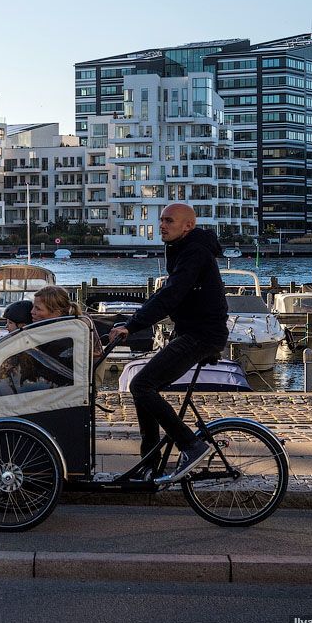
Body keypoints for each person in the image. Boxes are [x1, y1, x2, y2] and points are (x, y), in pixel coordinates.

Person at [109, 204, 228, 483]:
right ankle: (149, 465)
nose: (162, 225)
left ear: (188, 226)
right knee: (143, 387)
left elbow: (171, 295)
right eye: (161, 220)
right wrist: (130, 321)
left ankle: (191, 445)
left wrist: (133, 325)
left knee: (141, 385)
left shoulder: (194, 252)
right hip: (192, 333)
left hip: (202, 336)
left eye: (169, 221)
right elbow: (166, 294)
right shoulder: (182, 248)